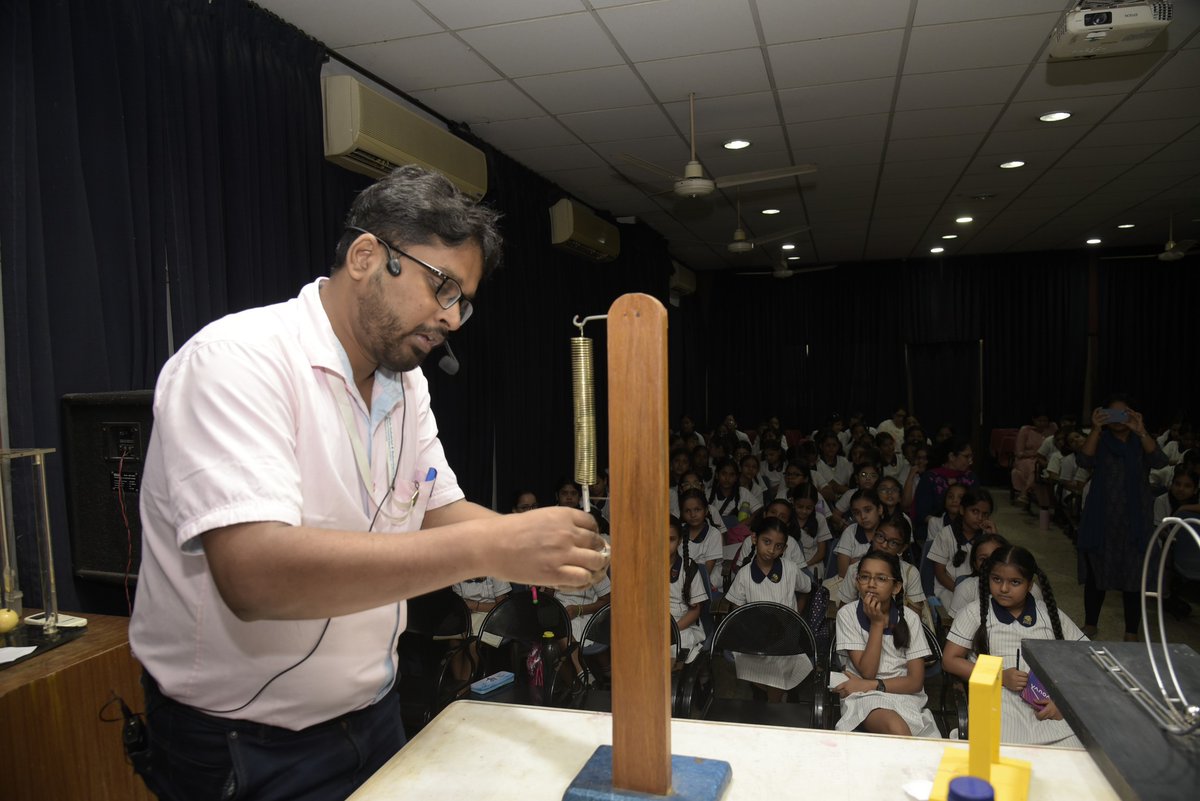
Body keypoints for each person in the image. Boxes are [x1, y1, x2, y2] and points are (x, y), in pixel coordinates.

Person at [127, 166, 609, 801]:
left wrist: (549, 546)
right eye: (442, 287)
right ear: (365, 256)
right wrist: (498, 547)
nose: (453, 319)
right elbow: (254, 574)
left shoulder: (407, 385)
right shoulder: (236, 362)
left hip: (376, 712)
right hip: (243, 744)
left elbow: (437, 510)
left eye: (462, 300)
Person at [943, 545, 1087, 747]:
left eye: (1015, 582)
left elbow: (1085, 657)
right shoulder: (975, 613)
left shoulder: (1049, 615)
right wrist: (1000, 676)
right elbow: (950, 660)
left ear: (1029, 585)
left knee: (1078, 753)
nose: (1003, 588)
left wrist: (1062, 702)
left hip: (1046, 702)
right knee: (1006, 752)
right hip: (996, 701)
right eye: (997, 579)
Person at [1074, 397, 1167, 640]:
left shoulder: (1139, 441)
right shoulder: (1102, 440)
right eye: (1111, 414)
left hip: (1135, 522)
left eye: (1123, 413)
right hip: (1102, 519)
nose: (1117, 419)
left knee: (1134, 576)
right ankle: (1091, 624)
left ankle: (1131, 632)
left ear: (1132, 414)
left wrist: (1142, 430)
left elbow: (1159, 461)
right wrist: (1095, 429)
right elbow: (1083, 460)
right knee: (1097, 573)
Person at [833, 549, 939, 737]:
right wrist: (877, 624)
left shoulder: (911, 618)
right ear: (857, 582)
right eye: (865, 577)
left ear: (896, 587)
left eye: (881, 579)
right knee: (896, 728)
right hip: (863, 697)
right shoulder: (847, 615)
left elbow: (915, 682)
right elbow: (868, 671)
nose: (871, 585)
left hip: (903, 695)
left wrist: (870, 684)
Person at [723, 520, 814, 702]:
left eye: (778, 546)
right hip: (755, 633)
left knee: (779, 662)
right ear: (755, 539)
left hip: (786, 633)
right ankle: (776, 694)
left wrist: (796, 615)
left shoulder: (790, 569)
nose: (772, 550)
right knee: (749, 661)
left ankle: (773, 705)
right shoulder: (744, 574)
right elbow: (737, 609)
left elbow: (807, 589)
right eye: (767, 542)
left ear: (784, 548)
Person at [929, 488, 996, 610]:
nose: (980, 517)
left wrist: (994, 537)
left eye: (985, 514)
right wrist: (961, 591)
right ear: (962, 510)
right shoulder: (946, 534)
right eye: (975, 511)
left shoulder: (987, 538)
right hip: (949, 589)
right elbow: (940, 573)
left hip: (979, 589)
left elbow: (998, 568)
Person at [669, 516, 708, 666]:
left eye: (671, 539)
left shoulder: (688, 568)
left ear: (679, 541)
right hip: (654, 624)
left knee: (670, 657)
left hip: (682, 625)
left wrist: (671, 630)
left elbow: (695, 611)